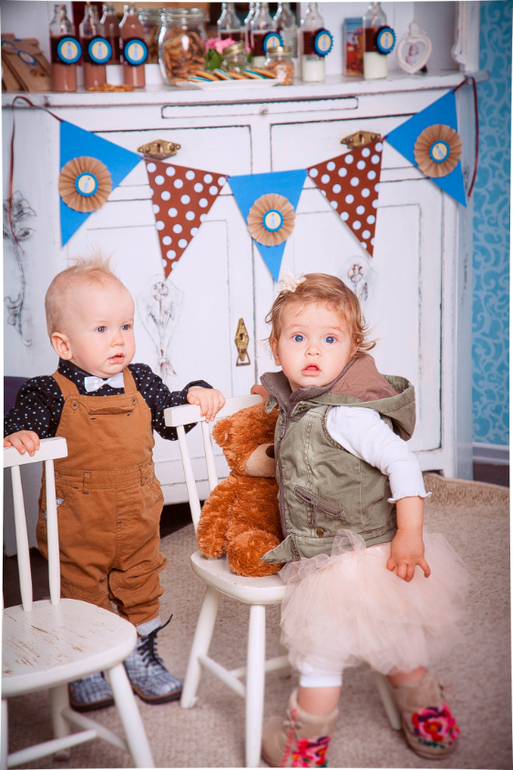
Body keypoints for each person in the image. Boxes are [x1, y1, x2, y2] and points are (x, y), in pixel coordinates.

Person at [255, 271, 468, 766]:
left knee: (320, 655)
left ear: (353, 351)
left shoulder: (348, 415)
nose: (313, 350)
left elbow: (403, 462)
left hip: (351, 557)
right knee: (397, 640)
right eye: (298, 338)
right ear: (276, 347)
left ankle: (301, 749)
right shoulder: (302, 402)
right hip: (356, 553)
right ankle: (430, 724)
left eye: (330, 340)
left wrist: (410, 532)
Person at [4, 253, 225, 712]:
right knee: (80, 586)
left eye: (125, 325)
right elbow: (20, 425)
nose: (119, 339)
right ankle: (84, 660)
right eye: (101, 329)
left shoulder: (139, 379)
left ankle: (142, 652)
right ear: (64, 345)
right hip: (76, 520)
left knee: (141, 581)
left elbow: (170, 418)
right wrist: (19, 434)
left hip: (139, 513)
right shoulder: (46, 391)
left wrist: (195, 393)